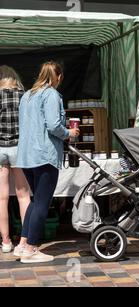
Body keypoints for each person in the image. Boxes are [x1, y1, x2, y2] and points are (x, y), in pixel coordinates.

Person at [15, 61, 79, 263]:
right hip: (44, 154)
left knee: (36, 201)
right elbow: (53, 125)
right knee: (42, 203)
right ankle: (32, 248)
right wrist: (69, 132)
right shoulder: (51, 94)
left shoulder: (27, 95)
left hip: (26, 155)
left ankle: (23, 244)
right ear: (58, 77)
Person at [0, 66, 31, 254]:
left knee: (1, 198)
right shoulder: (24, 96)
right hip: (19, 148)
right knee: (23, 196)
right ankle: (24, 240)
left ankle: (5, 241)